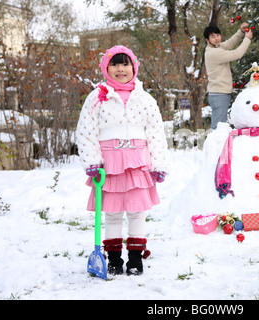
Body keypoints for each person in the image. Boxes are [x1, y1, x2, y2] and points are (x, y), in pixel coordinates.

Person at [76, 45, 168, 276]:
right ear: (106, 68)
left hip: (138, 163)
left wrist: (158, 164)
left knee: (137, 212)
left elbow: (156, 132)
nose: (120, 69)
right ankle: (115, 259)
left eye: (125, 64)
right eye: (114, 64)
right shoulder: (96, 97)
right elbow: (86, 131)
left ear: (134, 67)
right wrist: (92, 162)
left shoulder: (145, 99)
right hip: (110, 165)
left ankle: (135, 259)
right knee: (113, 213)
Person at [204, 23, 253, 130]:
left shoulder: (217, 47)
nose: (216, 38)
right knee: (218, 127)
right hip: (219, 94)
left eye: (218, 35)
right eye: (213, 36)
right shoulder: (213, 53)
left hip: (219, 93)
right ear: (207, 40)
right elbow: (237, 54)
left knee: (219, 125)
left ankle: (218, 145)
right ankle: (215, 146)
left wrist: (240, 32)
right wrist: (247, 39)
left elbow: (229, 44)